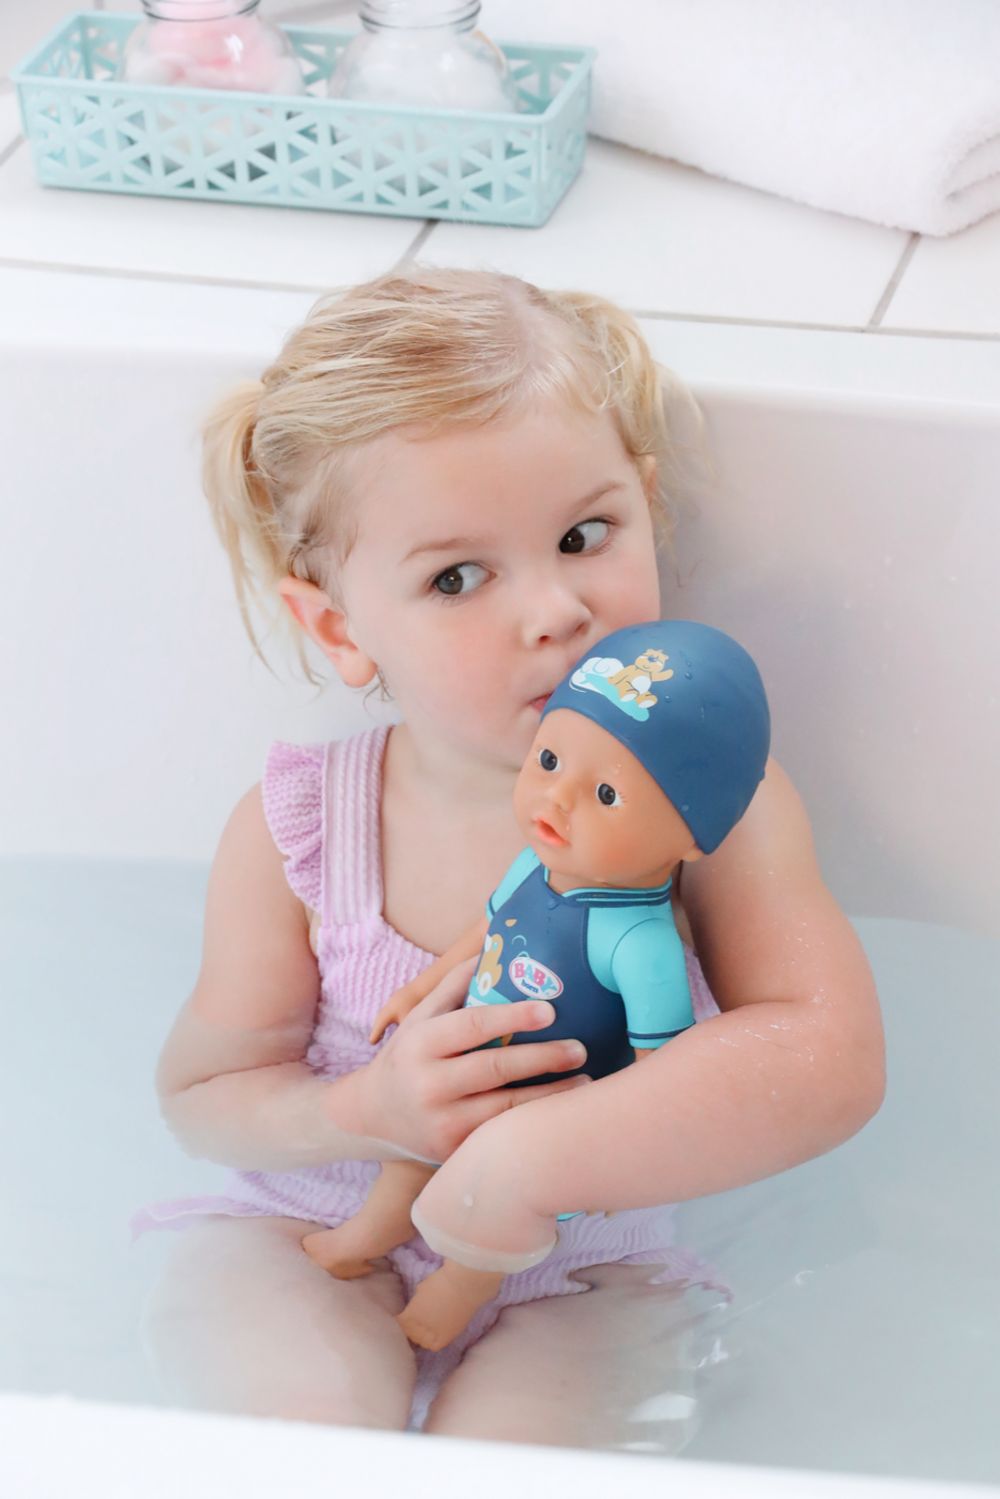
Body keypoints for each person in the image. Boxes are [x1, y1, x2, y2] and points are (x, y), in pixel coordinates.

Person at [135, 265, 884, 1447]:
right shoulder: (305, 825)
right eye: (457, 575)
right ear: (337, 625)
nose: (554, 611)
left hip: (583, 1266)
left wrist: (538, 1155)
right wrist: (366, 1108)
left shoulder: (705, 808)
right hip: (314, 1235)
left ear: (646, 508)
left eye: (584, 535)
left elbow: (826, 1052)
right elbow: (204, 1097)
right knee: (302, 1436)